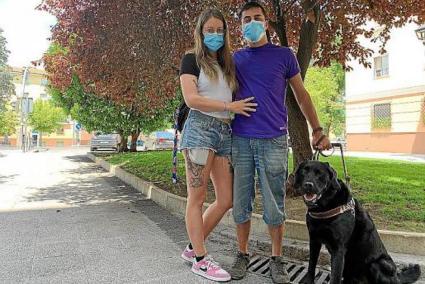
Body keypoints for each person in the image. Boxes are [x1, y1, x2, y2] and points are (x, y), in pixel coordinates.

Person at [228, 2, 332, 284]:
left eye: (257, 18)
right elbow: (219, 92)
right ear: (240, 26)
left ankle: (277, 259)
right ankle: (242, 254)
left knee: (275, 206)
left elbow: (301, 95)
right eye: (246, 19)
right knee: (241, 204)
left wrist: (317, 129)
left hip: (273, 140)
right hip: (241, 140)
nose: (252, 22)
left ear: (267, 22)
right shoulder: (235, 58)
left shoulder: (284, 55)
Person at [178, 8, 257, 282]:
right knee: (196, 198)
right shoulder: (191, 60)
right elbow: (191, 99)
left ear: (225, 33)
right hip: (200, 129)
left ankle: (191, 247)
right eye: (208, 30)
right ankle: (200, 259)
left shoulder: (226, 63)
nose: (214, 35)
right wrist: (229, 106)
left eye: (219, 30)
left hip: (224, 131)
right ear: (200, 32)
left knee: (226, 199)